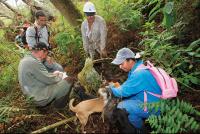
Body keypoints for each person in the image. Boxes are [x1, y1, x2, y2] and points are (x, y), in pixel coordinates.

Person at [109, 48, 162, 131]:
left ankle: (142, 130)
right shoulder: (139, 67)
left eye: (122, 63)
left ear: (130, 60)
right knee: (128, 106)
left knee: (121, 106)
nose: (120, 67)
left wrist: (110, 89)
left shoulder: (139, 74)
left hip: (154, 107)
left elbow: (123, 91)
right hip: (149, 99)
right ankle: (139, 127)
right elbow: (128, 86)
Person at [18, 42, 75, 109]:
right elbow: (50, 80)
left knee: (58, 78)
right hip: (38, 97)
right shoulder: (33, 62)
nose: (46, 56)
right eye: (46, 53)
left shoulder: (27, 59)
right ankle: (58, 107)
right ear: (42, 51)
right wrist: (60, 75)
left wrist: (52, 72)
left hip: (31, 92)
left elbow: (41, 75)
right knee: (69, 80)